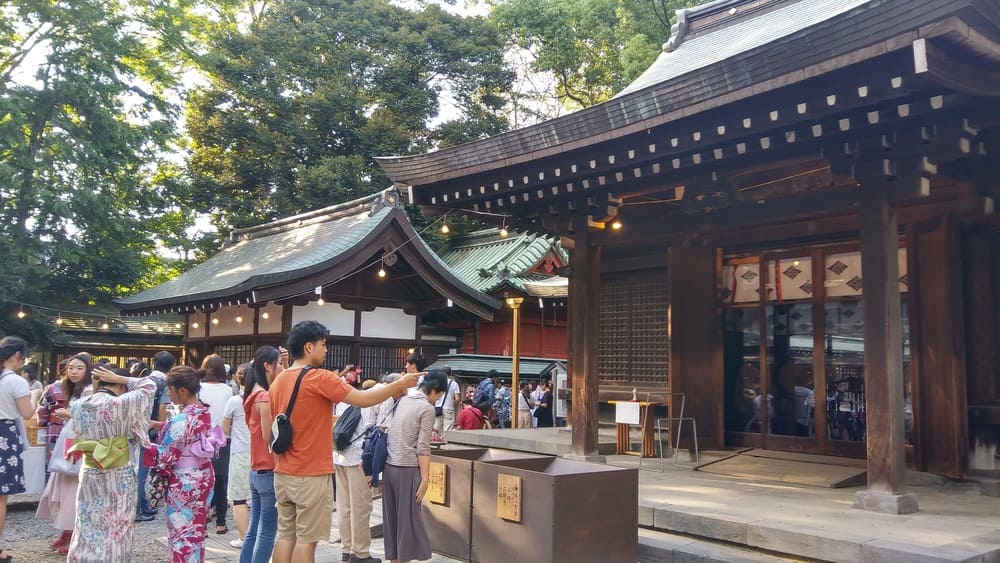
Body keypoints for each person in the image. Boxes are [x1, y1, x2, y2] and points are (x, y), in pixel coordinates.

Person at [269, 321, 418, 563]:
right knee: (307, 539)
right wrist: (399, 384)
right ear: (309, 346)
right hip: (311, 473)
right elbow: (364, 399)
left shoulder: (278, 381)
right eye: (323, 345)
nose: (326, 350)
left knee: (286, 535)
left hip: (283, 471)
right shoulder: (320, 378)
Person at [66, 366, 156, 562]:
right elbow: (150, 385)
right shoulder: (119, 404)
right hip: (118, 473)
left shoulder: (77, 405)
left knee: (86, 523)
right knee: (117, 526)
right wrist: (124, 379)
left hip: (89, 470)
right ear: (119, 384)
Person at [156, 366, 225, 563]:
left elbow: (165, 458)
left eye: (170, 389)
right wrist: (162, 426)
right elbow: (190, 437)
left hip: (184, 481)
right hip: (203, 474)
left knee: (181, 534)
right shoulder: (203, 411)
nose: (169, 393)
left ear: (182, 390)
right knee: (196, 530)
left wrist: (151, 447)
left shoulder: (181, 419)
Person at [382, 371, 447, 563]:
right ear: (435, 390)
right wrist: (425, 479)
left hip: (389, 467)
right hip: (407, 470)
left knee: (392, 522)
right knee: (408, 524)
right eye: (440, 395)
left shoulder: (403, 400)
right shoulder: (425, 408)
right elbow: (423, 447)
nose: (438, 399)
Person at [36, 352, 94, 554]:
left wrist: (69, 414)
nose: (74, 371)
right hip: (69, 440)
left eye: (79, 368)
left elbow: (92, 417)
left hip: (80, 443)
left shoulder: (89, 390)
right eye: (71, 367)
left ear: (88, 370)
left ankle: (75, 535)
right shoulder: (72, 389)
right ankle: (67, 531)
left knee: (72, 490)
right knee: (61, 487)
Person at [240, 346, 287, 563]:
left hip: (256, 469)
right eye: (278, 364)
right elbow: (272, 438)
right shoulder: (264, 397)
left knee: (254, 530)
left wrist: (285, 367)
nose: (280, 368)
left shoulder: (252, 393)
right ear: (267, 366)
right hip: (269, 470)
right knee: (267, 533)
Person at [334, 384, 381, 563]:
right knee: (360, 507)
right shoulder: (367, 404)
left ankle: (346, 549)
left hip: (339, 457)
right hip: (357, 460)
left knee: (344, 507)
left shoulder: (341, 402)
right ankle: (360, 552)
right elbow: (371, 432)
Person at [0, 336, 34, 561]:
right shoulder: (16, 382)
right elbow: (27, 413)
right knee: (1, 497)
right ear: (18, 356)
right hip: (4, 435)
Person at [136, 351, 174, 521]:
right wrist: (161, 430)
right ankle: (137, 509)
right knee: (142, 472)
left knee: (139, 468)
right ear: (171, 366)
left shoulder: (142, 381)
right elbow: (162, 410)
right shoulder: (164, 384)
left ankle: (143, 504)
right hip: (150, 430)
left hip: (136, 427)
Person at [200, 354, 235, 535]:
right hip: (223, 441)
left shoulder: (198, 388)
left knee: (204, 482)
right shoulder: (228, 390)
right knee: (221, 482)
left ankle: (203, 524)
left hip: (202, 442)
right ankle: (221, 523)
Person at [223, 363, 252, 549]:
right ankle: (260, 536)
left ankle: (244, 538)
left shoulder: (235, 401)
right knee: (259, 498)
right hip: (261, 452)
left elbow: (224, 429)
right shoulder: (264, 398)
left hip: (240, 451)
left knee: (238, 498)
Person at [434, 367, 460, 434]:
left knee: (437, 429)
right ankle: (445, 443)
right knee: (447, 430)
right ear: (450, 373)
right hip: (449, 409)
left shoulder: (437, 383)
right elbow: (457, 399)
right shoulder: (454, 384)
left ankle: (437, 443)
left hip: (437, 408)